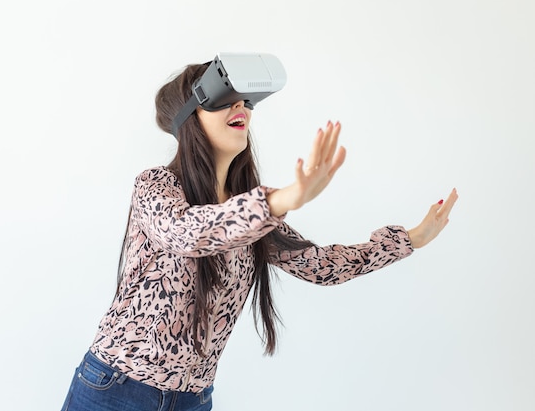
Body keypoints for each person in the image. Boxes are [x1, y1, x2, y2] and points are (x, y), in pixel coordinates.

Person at [60, 62, 458, 411]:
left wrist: (410, 238)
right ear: (188, 118)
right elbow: (185, 232)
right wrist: (284, 198)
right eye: (222, 97)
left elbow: (318, 265)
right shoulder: (157, 186)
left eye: (245, 101)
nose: (241, 107)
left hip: (193, 399)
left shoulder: (249, 214)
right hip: (115, 389)